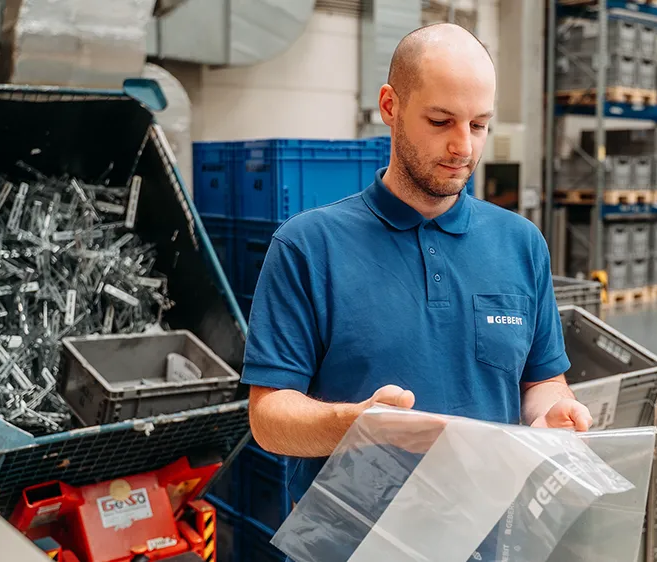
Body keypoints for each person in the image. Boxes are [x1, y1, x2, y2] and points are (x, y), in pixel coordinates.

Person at [241, 20, 592, 523]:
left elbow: (541, 380)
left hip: (486, 532)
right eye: (441, 121)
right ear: (390, 106)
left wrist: (550, 411)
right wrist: (359, 425)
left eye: (478, 124)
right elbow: (269, 419)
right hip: (351, 543)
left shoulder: (521, 244)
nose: (463, 148)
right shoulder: (308, 246)